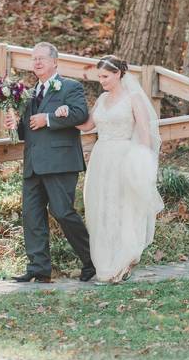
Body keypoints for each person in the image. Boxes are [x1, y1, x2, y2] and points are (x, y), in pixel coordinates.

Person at [55, 55, 163, 283]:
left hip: (124, 157)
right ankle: (105, 261)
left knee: (123, 208)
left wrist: (142, 163)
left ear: (118, 74)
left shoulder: (133, 98)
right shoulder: (102, 99)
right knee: (101, 208)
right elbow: (87, 126)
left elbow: (145, 133)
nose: (101, 81)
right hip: (101, 159)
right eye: (99, 76)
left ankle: (123, 261)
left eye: (105, 76)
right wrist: (66, 114)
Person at [4, 42, 96, 283]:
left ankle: (91, 260)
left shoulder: (69, 87)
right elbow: (29, 130)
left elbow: (80, 116)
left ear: (55, 62)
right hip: (33, 164)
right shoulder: (29, 93)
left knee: (63, 213)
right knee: (31, 215)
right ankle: (38, 268)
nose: (36, 62)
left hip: (60, 162)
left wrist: (49, 118)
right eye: (33, 58)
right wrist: (17, 128)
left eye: (41, 58)